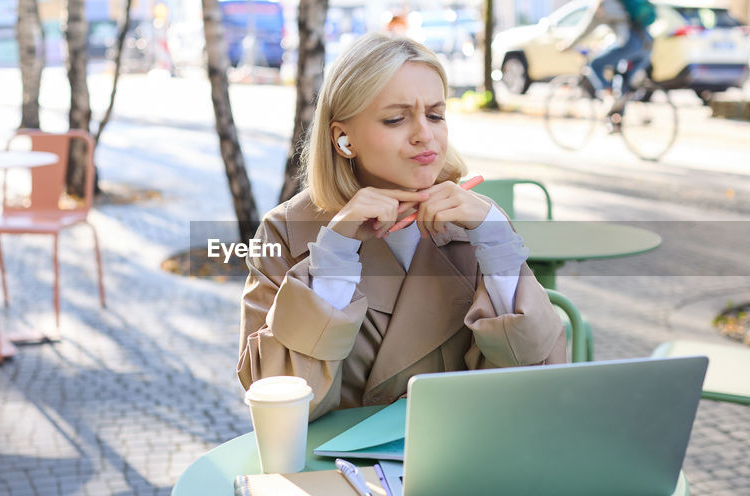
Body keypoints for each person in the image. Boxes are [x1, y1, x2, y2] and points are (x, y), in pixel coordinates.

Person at [238, 33, 566, 421]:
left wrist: (497, 240)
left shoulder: (478, 225)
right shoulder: (284, 231)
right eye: (395, 118)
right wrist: (334, 257)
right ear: (343, 138)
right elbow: (278, 404)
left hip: (459, 462)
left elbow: (534, 386)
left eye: (436, 115)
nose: (424, 135)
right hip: (335, 469)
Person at [560, 0, 654, 98]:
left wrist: (567, 45)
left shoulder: (602, 7)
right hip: (647, 44)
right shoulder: (621, 4)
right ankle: (619, 102)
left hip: (630, 45)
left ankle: (608, 94)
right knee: (623, 80)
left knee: (595, 64)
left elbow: (621, 38)